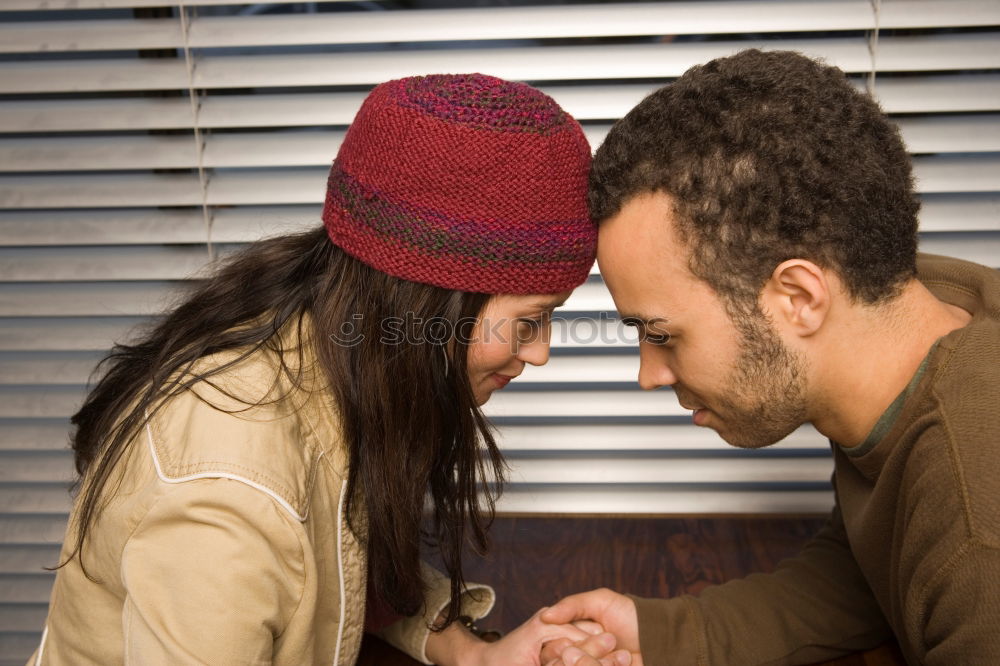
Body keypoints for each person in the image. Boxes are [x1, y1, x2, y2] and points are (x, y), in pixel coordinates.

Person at [29, 73, 629, 665]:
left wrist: (471, 654)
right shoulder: (226, 498)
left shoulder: (336, 352)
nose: (541, 351)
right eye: (531, 319)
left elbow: (333, 557)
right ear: (429, 301)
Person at [538, 49, 1000, 665]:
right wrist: (664, 633)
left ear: (799, 297)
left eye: (664, 334)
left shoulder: (977, 533)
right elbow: (870, 574)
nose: (649, 375)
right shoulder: (919, 320)